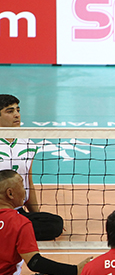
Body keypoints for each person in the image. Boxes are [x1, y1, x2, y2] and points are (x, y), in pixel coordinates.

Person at [0, 170, 90, 275]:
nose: (25, 190)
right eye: (22, 185)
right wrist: (75, 270)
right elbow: (35, 262)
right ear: (10, 193)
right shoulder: (19, 223)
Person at [0, 94, 64, 241]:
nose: (16, 115)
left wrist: (37, 216)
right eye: (10, 111)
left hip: (17, 211)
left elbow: (28, 183)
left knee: (55, 224)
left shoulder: (27, 143)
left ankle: (9, 233)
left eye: (18, 110)